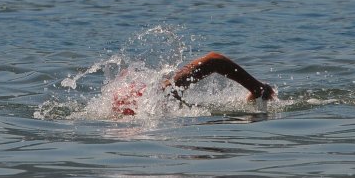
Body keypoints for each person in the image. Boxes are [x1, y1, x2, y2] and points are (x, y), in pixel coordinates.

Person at [112, 52, 275, 116]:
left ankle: (259, 89)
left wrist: (256, 88)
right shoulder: (158, 103)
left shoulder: (163, 93)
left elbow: (214, 60)